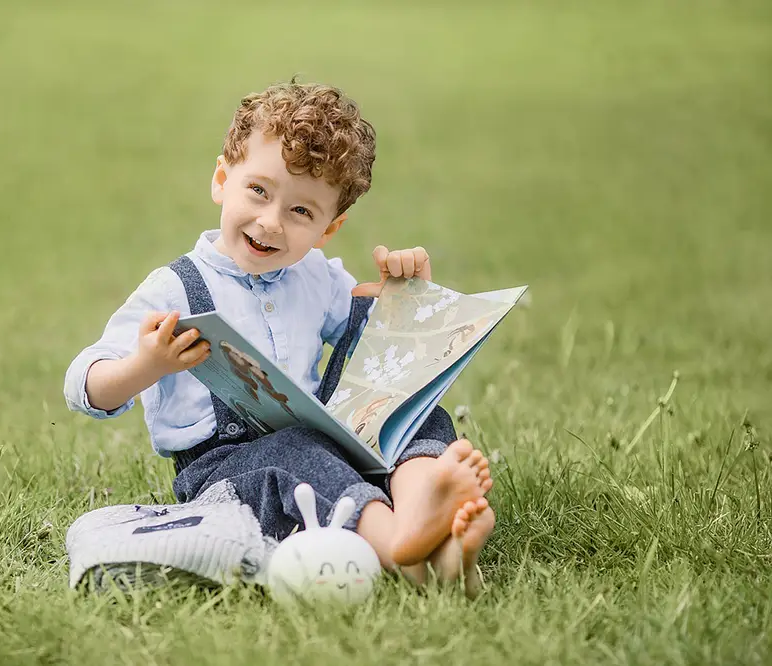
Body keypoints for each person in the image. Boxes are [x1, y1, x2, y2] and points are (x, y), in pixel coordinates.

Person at [64, 80, 495, 594]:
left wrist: (404, 295)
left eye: (301, 212)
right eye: (259, 191)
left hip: (326, 446)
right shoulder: (174, 288)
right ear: (222, 179)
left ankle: (431, 518)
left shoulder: (317, 275)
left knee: (415, 410)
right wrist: (146, 366)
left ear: (328, 229)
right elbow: (83, 385)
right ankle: (404, 542)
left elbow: (375, 348)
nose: (270, 223)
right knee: (294, 453)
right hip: (226, 474)